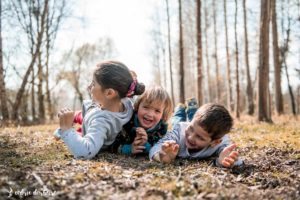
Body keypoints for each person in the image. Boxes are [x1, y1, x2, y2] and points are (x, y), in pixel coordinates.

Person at [53, 60, 145, 159]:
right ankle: (72, 120)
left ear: (109, 93)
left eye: (93, 83)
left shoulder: (100, 122)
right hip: (91, 112)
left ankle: (67, 127)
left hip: (90, 120)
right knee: (79, 115)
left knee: (79, 122)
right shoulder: (127, 103)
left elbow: (84, 152)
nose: (89, 86)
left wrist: (66, 129)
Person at [149, 103, 243, 168]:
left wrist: (222, 162)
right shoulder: (179, 132)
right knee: (177, 120)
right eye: (191, 128)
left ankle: (187, 111)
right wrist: (161, 156)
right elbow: (155, 148)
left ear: (214, 142)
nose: (190, 137)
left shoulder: (221, 142)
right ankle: (180, 109)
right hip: (179, 126)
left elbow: (237, 160)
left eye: (200, 137)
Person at [109, 86, 173, 156]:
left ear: (163, 115)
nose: (150, 114)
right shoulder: (127, 121)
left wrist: (145, 144)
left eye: (157, 111)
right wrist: (129, 149)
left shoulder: (161, 129)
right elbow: (111, 143)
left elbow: (158, 149)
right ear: (138, 106)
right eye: (146, 107)